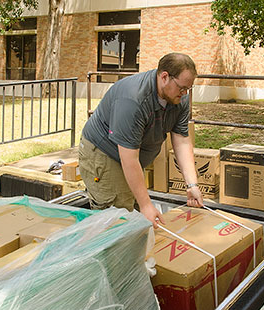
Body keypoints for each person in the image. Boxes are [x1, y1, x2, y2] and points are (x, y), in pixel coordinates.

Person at [79, 53, 203, 228]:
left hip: (132, 155)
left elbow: (182, 141)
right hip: (104, 153)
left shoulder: (179, 98)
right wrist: (146, 205)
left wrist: (192, 185)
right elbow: (129, 158)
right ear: (165, 77)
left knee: (136, 217)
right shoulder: (132, 100)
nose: (184, 94)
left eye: (188, 89)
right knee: (119, 219)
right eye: (182, 88)